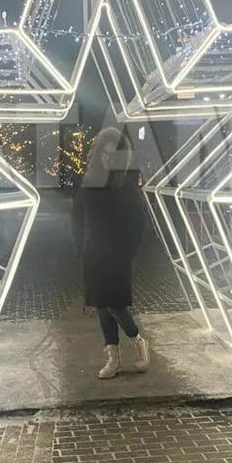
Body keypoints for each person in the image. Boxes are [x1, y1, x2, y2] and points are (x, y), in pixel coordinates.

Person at [72, 127, 150, 379]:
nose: (107, 159)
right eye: (104, 154)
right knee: (102, 306)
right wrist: (79, 248)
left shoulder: (126, 186)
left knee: (114, 304)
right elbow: (76, 217)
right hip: (94, 254)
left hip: (118, 255)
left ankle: (137, 340)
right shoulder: (88, 184)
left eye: (113, 155)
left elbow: (139, 222)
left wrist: (131, 251)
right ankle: (113, 358)